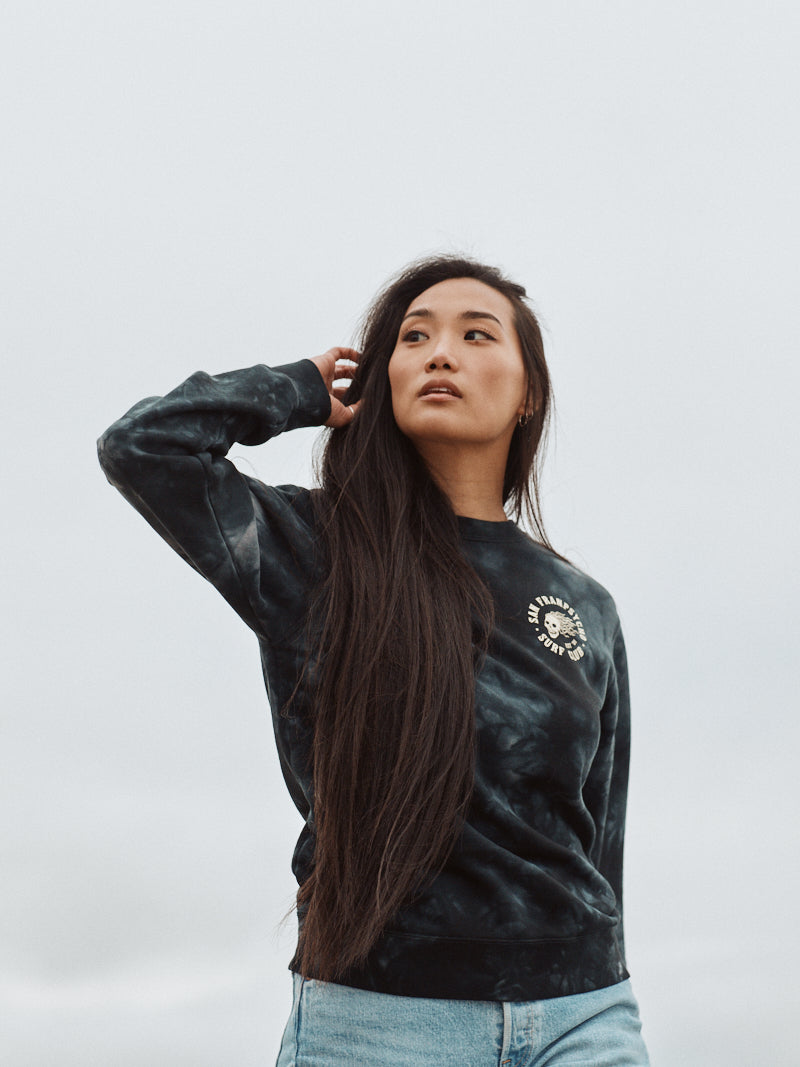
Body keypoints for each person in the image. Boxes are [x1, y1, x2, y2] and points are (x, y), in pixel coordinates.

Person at [97, 254, 650, 1066]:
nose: (439, 352)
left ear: (528, 389)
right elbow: (143, 448)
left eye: (475, 333)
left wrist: (611, 973)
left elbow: (598, 837)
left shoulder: (586, 604)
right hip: (379, 1020)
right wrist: (296, 389)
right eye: (413, 336)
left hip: (582, 1015)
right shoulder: (312, 550)